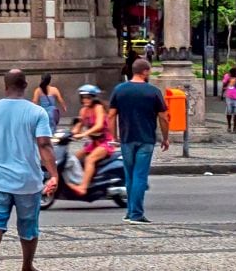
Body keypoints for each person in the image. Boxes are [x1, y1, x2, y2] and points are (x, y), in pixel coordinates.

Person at [0, 68, 55, 271]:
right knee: (28, 225)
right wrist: (54, 174)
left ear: (4, 85)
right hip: (28, 179)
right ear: (26, 85)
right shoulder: (37, 112)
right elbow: (44, 144)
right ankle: (27, 268)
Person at [109, 57, 170, 223]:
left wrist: (114, 136)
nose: (149, 73)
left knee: (129, 176)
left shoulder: (120, 90)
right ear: (144, 72)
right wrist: (165, 138)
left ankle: (130, 212)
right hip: (146, 139)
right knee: (140, 176)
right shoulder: (153, 91)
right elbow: (164, 118)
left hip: (127, 138)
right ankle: (136, 213)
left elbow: (111, 116)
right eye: (149, 71)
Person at [66, 84, 114, 193]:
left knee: (90, 159)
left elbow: (99, 125)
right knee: (73, 158)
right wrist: (69, 134)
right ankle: (76, 180)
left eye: (88, 97)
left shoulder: (98, 108)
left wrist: (84, 134)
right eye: (83, 98)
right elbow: (79, 125)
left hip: (105, 142)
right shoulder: (83, 111)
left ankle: (83, 187)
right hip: (93, 143)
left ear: (94, 98)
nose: (85, 100)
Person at [222, 67, 236, 133]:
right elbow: (224, 84)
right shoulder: (227, 76)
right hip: (229, 96)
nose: (233, 75)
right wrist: (229, 80)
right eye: (232, 74)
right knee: (229, 111)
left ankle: (235, 128)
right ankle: (229, 125)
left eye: (234, 74)